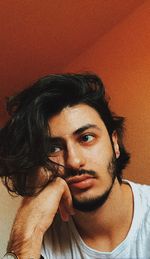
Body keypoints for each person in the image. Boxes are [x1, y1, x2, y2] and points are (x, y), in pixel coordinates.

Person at [0, 73, 150, 259]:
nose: (73, 161)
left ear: (115, 144)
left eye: (86, 138)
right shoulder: (42, 239)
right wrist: (25, 238)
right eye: (53, 148)